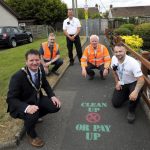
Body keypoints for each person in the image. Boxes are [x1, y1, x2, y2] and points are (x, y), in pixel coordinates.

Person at [7, 49, 61, 147]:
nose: (34, 63)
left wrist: (52, 96)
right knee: (33, 115)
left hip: (36, 99)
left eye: (37, 60)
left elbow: (45, 84)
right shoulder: (17, 77)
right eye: (31, 60)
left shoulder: (40, 69)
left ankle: (32, 119)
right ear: (26, 62)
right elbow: (11, 99)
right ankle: (31, 133)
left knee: (55, 106)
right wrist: (27, 108)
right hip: (23, 104)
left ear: (40, 60)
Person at [111, 43, 145, 123]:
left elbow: (141, 79)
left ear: (125, 51)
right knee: (116, 103)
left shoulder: (133, 63)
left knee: (134, 94)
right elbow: (114, 71)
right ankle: (128, 94)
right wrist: (117, 82)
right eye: (116, 52)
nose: (118, 54)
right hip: (122, 82)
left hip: (133, 82)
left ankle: (131, 110)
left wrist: (136, 92)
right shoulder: (114, 58)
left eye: (120, 51)